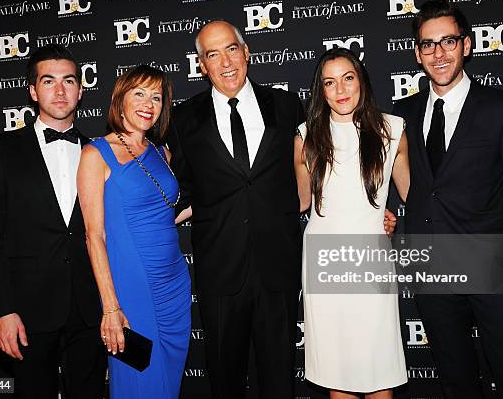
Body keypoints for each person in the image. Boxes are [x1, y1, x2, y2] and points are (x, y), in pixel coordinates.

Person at [168, 20, 398, 398]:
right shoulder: (182, 119)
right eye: (212, 54)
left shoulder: (287, 105)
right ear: (201, 64)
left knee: (278, 381)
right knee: (225, 380)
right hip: (220, 271)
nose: (225, 61)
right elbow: (178, 187)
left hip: (279, 268)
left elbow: (329, 161)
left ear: (246, 53)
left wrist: (377, 210)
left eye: (231, 49)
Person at [392, 0, 503, 399]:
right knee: (455, 382)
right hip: (434, 274)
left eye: (448, 41)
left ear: (467, 45)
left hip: (496, 272)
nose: (438, 53)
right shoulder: (401, 115)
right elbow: (403, 183)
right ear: (417, 53)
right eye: (428, 45)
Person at [0, 44, 106, 398]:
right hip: (28, 310)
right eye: (49, 81)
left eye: (69, 81)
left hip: (89, 307)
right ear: (33, 91)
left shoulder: (101, 152)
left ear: (81, 89)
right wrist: (2, 311)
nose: (60, 91)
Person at [295, 48, 410, 399]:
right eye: (330, 83)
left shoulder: (393, 129)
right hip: (324, 263)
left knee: (379, 371)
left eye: (348, 78)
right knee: (337, 373)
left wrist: (389, 218)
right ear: (321, 90)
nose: (341, 90)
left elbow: (416, 198)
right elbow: (299, 202)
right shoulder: (306, 136)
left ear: (361, 81)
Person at [77, 65, 191, 398]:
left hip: (174, 284)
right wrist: (111, 308)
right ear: (120, 99)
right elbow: (94, 236)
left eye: (156, 96)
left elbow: (163, 215)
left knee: (168, 382)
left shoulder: (161, 152)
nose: (148, 103)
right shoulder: (95, 154)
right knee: (139, 379)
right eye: (139, 93)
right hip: (132, 288)